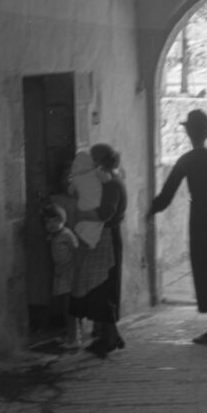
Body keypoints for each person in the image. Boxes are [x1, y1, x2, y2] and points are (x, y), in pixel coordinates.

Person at [148, 109, 207, 346]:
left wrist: (147, 211)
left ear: (189, 133)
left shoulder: (187, 161)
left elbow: (166, 196)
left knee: (205, 272)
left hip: (201, 222)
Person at [70, 143, 127, 358]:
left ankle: (110, 337)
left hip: (108, 238)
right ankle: (110, 335)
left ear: (100, 162)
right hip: (106, 237)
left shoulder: (111, 184)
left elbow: (105, 213)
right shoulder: (109, 180)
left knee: (104, 287)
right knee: (102, 286)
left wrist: (81, 215)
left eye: (93, 159)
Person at [42, 202, 82, 350]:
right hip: (61, 274)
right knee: (65, 307)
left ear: (62, 220)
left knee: (70, 307)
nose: (51, 225)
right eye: (47, 222)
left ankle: (74, 338)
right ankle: (71, 334)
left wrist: (75, 270)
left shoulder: (66, 234)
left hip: (69, 274)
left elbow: (77, 252)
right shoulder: (54, 235)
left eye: (55, 221)